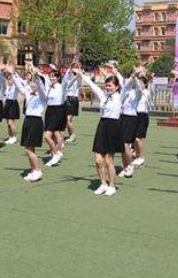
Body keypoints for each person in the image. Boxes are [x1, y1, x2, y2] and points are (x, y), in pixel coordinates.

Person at [74, 66, 124, 196]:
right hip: (102, 126)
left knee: (109, 160)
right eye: (107, 85)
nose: (108, 88)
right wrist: (82, 75)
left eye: (110, 86)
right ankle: (103, 183)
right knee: (97, 159)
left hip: (114, 126)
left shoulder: (120, 96)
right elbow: (92, 85)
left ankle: (112, 185)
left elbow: (127, 84)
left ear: (117, 87)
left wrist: (122, 73)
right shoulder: (103, 96)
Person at [14, 66, 47, 181]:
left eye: (35, 83)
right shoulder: (28, 93)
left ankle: (37, 170)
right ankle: (33, 170)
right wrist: (12, 74)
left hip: (36, 121)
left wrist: (37, 76)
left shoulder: (42, 96)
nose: (32, 84)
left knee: (28, 149)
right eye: (32, 82)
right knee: (29, 148)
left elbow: (42, 88)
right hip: (27, 120)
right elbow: (19, 86)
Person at [42, 69, 71, 167]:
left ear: (58, 78)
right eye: (50, 76)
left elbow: (66, 79)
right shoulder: (49, 86)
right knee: (56, 132)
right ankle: (58, 151)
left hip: (58, 110)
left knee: (47, 136)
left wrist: (70, 69)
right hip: (49, 110)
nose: (52, 78)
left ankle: (56, 153)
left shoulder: (61, 86)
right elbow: (42, 76)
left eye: (54, 76)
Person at [132, 71, 154, 167]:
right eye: (139, 82)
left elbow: (141, 89)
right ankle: (137, 156)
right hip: (135, 116)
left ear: (145, 85)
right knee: (134, 139)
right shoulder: (136, 92)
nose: (140, 84)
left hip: (143, 116)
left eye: (142, 83)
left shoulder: (146, 92)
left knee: (138, 139)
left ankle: (141, 157)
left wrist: (136, 78)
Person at [63, 60, 82, 143]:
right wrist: (71, 66)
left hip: (73, 99)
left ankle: (73, 135)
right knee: (67, 119)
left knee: (68, 119)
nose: (72, 71)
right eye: (72, 69)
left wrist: (78, 69)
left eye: (74, 69)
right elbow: (66, 77)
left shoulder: (78, 79)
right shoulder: (67, 79)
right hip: (67, 99)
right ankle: (71, 135)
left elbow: (79, 76)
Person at [0, 69, 20, 145]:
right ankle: (10, 137)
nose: (9, 78)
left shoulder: (16, 85)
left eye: (10, 77)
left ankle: (14, 137)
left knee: (11, 122)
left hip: (13, 103)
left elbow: (17, 78)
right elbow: (4, 95)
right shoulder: (6, 86)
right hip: (7, 103)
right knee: (8, 123)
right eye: (7, 77)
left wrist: (13, 72)